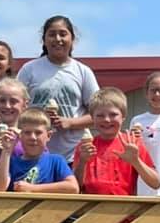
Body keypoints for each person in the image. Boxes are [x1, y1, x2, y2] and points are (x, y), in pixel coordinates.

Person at [17, 15, 99, 162]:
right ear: (44, 40)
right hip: (34, 155)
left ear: (72, 39)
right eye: (52, 34)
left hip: (73, 156)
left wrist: (70, 122)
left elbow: (99, 114)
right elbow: (15, 106)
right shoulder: (29, 69)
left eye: (63, 34)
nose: (57, 39)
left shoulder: (83, 71)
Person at [74, 87, 160, 196]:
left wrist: (136, 161)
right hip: (90, 205)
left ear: (123, 116)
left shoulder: (132, 144)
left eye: (113, 114)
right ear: (92, 118)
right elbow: (76, 187)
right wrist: (82, 162)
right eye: (100, 115)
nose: (106, 119)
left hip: (124, 205)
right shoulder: (85, 148)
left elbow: (156, 183)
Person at [0, 108, 78, 193]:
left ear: (49, 135)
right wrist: (6, 151)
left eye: (38, 133)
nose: (32, 137)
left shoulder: (56, 161)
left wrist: (32, 188)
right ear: (20, 135)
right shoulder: (11, 162)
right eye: (27, 132)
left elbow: (73, 187)